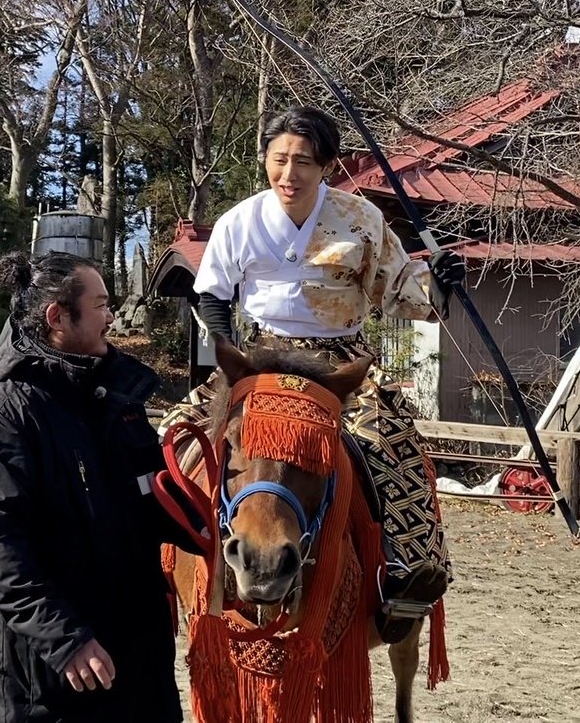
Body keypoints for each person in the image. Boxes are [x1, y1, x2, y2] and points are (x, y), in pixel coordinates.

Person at [170, 105, 465, 644]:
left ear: (326, 165)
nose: (289, 174)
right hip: (263, 359)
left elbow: (405, 290)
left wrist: (441, 282)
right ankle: (160, 564)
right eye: (279, 160)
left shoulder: (360, 219)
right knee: (175, 434)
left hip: (340, 365)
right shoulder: (241, 221)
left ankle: (404, 574)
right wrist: (230, 355)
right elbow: (211, 292)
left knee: (391, 446)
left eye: (303, 162)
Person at [0, 251, 199, 723]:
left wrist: (220, 530)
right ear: (57, 316)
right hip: (48, 680)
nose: (111, 317)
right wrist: (65, 640)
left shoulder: (115, 398)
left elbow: (156, 498)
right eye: (102, 305)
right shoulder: (1, 419)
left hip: (136, 661)